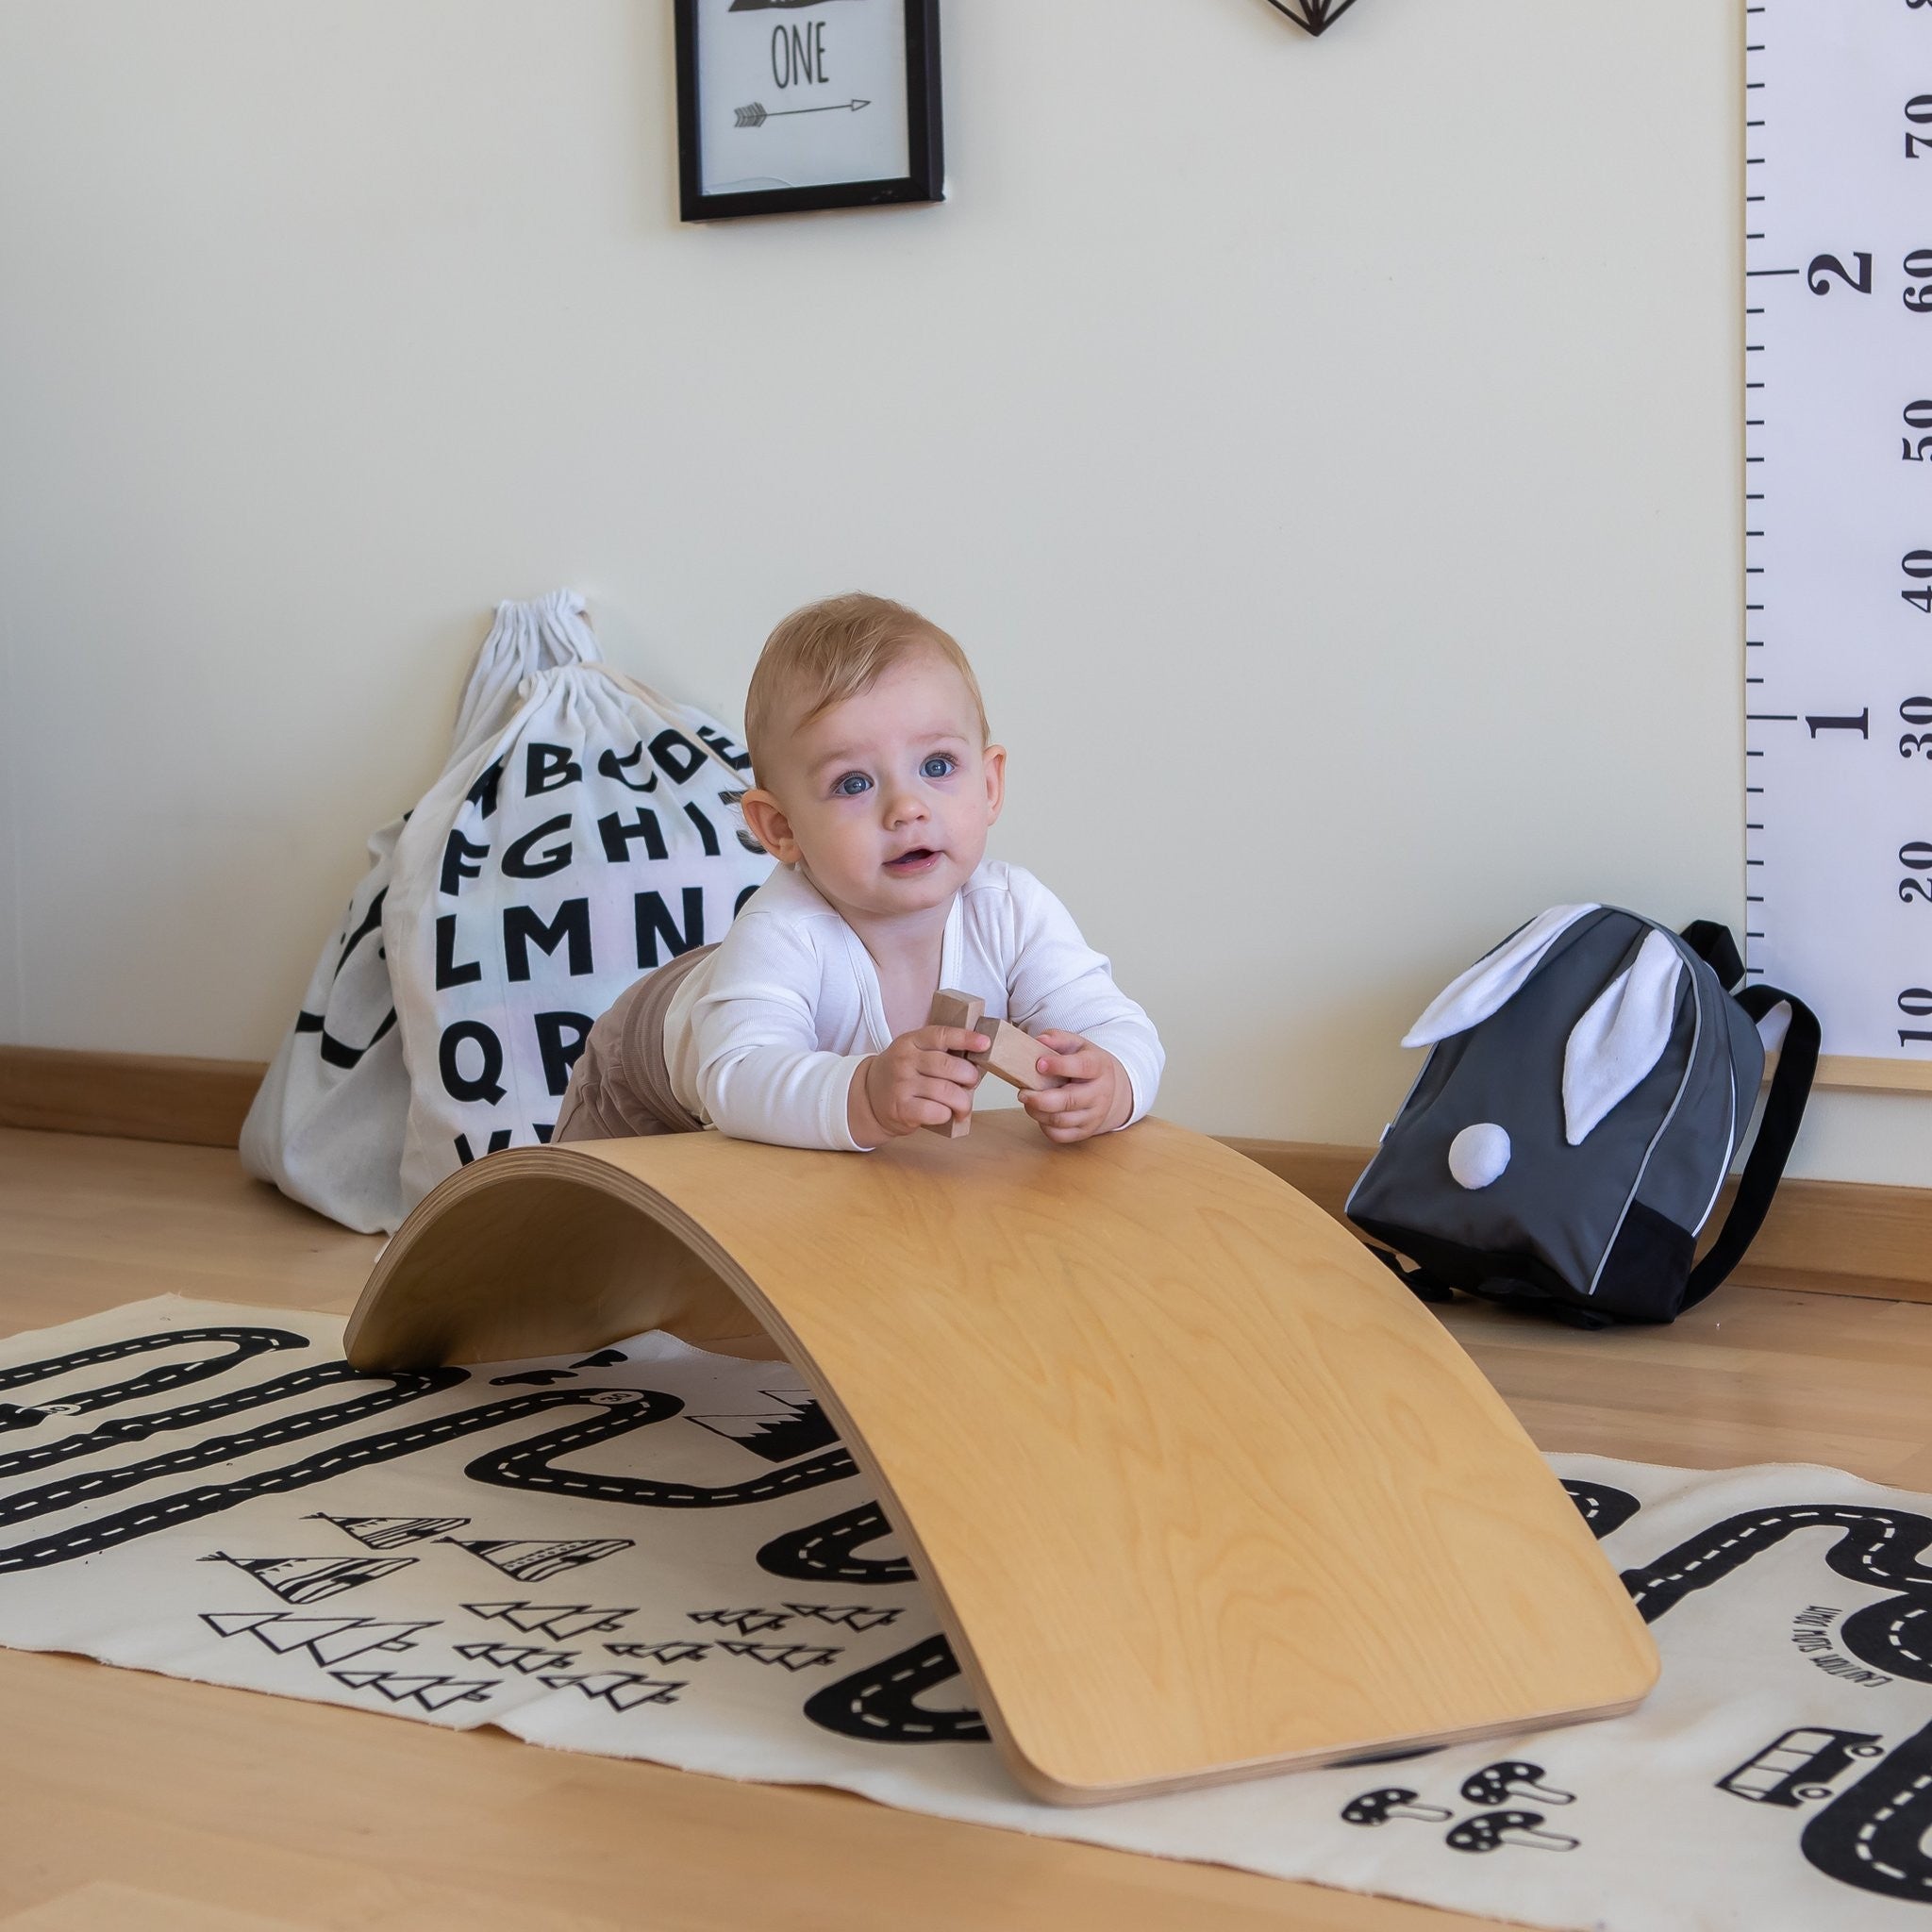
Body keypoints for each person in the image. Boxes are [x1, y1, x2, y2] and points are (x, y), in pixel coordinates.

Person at [555, 592, 1162, 1150]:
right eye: (853, 783)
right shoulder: (784, 934)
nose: (907, 807)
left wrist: (1113, 1082)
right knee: (597, 1247)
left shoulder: (1010, 911)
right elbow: (736, 1078)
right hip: (643, 1090)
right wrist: (865, 1093)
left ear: (990, 783)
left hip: (785, 1081)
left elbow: (1111, 1022)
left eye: (938, 765)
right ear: (782, 829)